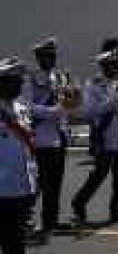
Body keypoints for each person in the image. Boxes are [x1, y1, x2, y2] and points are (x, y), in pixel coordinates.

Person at [72, 49, 118, 224]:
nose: (116, 68)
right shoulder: (92, 85)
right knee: (100, 173)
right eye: (112, 65)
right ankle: (79, 202)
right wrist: (112, 100)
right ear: (103, 67)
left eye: (116, 65)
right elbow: (90, 111)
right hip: (104, 135)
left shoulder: (117, 84)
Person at [21, 38, 72, 238]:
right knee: (39, 183)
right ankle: (24, 218)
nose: (51, 59)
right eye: (46, 56)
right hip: (41, 139)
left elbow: (67, 105)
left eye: (53, 56)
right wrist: (54, 111)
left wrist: (69, 106)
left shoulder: (59, 78)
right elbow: (27, 108)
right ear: (38, 58)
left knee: (55, 184)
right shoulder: (30, 81)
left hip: (58, 138)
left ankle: (51, 221)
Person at [1, 58, 40, 254]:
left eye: (19, 81)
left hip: (20, 185)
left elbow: (27, 146)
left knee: (15, 241)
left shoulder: (21, 108)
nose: (19, 86)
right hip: (1, 188)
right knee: (8, 239)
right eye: (13, 81)